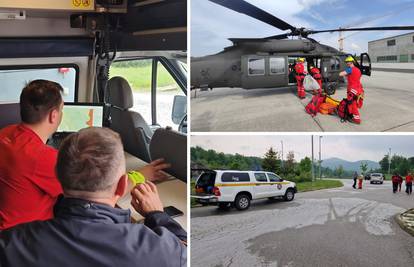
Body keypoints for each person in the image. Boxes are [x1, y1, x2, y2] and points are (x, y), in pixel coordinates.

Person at [0, 127, 187, 267]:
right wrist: (156, 214)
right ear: (122, 185)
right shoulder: (155, 248)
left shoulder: (10, 243)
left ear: (58, 177)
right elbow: (184, 252)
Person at [0, 80, 64, 230]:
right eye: (61, 110)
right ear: (54, 116)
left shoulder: (5, 133)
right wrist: (131, 177)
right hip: (24, 240)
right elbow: (93, 190)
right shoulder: (43, 157)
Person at [339, 56, 364, 124]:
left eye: (347, 62)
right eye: (346, 62)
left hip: (352, 90)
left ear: (351, 62)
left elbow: (340, 74)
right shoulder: (358, 70)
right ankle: (352, 115)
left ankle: (357, 119)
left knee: (352, 104)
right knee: (355, 103)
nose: (347, 63)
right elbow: (356, 77)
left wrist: (345, 72)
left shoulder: (350, 69)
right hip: (359, 89)